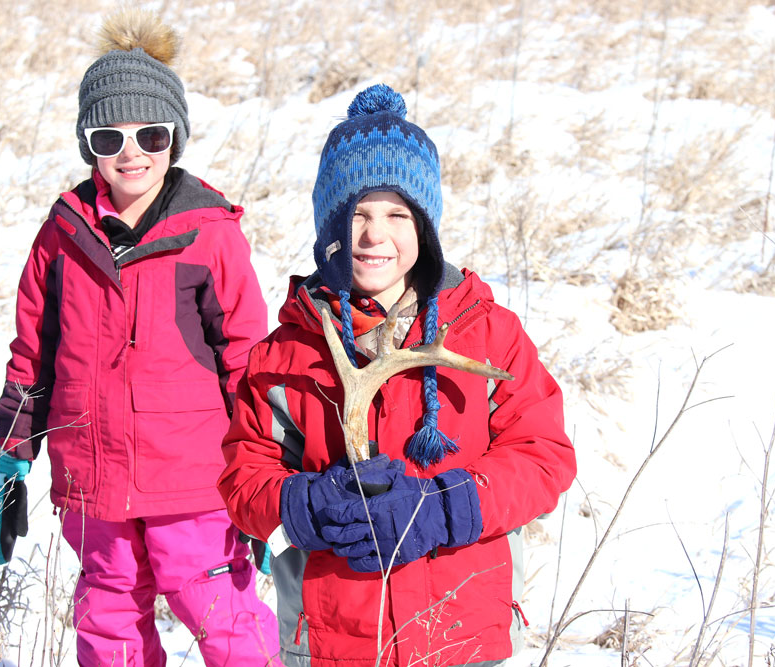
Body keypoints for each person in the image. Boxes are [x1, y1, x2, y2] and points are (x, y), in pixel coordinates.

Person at [217, 83, 577, 667]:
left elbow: (542, 457)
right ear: (330, 224)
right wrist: (302, 503)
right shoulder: (286, 352)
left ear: (425, 226)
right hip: (330, 638)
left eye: (396, 214)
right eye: (356, 214)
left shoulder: (486, 332)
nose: (374, 235)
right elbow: (242, 476)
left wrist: (440, 506)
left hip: (457, 635)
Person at [0, 9, 281, 666]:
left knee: (218, 607)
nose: (131, 152)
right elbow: (33, 351)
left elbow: (246, 361)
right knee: (108, 611)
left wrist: (260, 470)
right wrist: (8, 460)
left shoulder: (209, 233)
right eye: (108, 137)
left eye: (151, 133)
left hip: (195, 481)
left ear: (176, 137)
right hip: (92, 476)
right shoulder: (61, 237)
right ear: (88, 144)